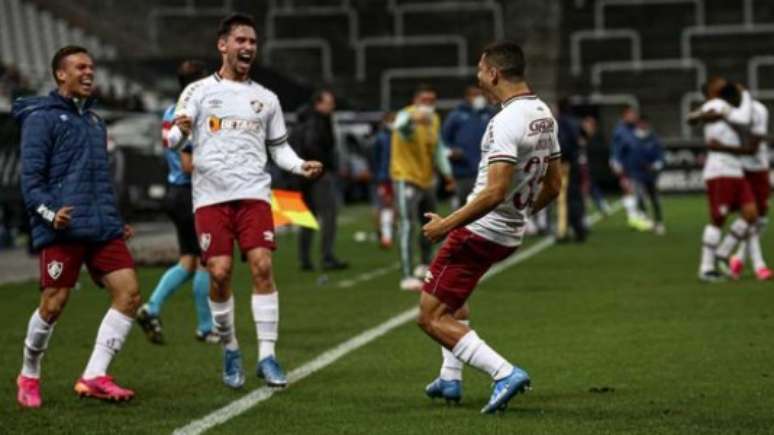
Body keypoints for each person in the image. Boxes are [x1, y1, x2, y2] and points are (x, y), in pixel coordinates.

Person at [172, 13, 322, 389]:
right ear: (223, 45)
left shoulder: (266, 99)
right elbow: (172, 140)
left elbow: (279, 149)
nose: (248, 47)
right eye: (241, 40)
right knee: (219, 274)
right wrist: (180, 132)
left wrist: (301, 165)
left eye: (253, 42)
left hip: (254, 195)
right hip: (210, 198)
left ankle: (268, 356)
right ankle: (230, 347)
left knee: (262, 267)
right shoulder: (198, 91)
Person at [419, 41, 562, 414]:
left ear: (493, 73)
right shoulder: (544, 113)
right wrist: (521, 213)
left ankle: (504, 373)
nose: (477, 74)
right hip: (508, 233)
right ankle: (450, 379)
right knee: (456, 296)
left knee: (431, 316)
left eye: (480, 68)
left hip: (481, 231)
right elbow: (554, 186)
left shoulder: (505, 121)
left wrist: (445, 226)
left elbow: (495, 191)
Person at [14, 46, 141, 408]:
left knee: (129, 294)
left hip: (101, 227)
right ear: (60, 74)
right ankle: (29, 373)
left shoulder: (95, 122)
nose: (89, 73)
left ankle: (94, 375)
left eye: (92, 67)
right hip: (62, 227)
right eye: (80, 67)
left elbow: (99, 181)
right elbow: (31, 181)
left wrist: (115, 219)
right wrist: (50, 213)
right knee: (53, 305)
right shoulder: (41, 119)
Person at [135, 60, 218, 345]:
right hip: (189, 193)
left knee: (189, 261)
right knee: (206, 262)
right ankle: (206, 328)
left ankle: (152, 307)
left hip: (175, 193)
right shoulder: (189, 115)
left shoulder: (171, 111)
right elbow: (187, 164)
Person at [690, 79, 761, 282]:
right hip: (720, 170)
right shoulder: (715, 105)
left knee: (751, 214)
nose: (723, 81)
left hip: (735, 169)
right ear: (711, 91)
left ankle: (723, 252)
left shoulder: (723, 108)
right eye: (717, 81)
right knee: (717, 219)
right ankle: (706, 268)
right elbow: (744, 118)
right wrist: (745, 93)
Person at [391, 84, 455, 291]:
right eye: (424, 100)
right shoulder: (406, 115)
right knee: (407, 225)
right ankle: (406, 275)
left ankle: (424, 264)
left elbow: (437, 149)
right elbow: (399, 126)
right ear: (415, 101)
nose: (428, 105)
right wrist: (413, 119)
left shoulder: (434, 120)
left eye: (431, 101)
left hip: (427, 179)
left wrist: (447, 174)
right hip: (406, 177)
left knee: (429, 224)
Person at [290, 89, 348, 271]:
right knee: (329, 215)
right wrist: (324, 165)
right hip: (318, 175)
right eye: (329, 102)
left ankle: (304, 259)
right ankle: (327, 256)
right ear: (319, 104)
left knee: (308, 218)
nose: (333, 106)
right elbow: (313, 146)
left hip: (302, 176)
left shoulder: (303, 120)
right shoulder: (318, 122)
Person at [729, 95, 772, 280]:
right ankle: (759, 265)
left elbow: (755, 142)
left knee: (761, 218)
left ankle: (737, 257)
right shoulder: (728, 113)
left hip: (760, 168)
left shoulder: (759, 110)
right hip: (741, 168)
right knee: (750, 217)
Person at [442, 85, 495, 208]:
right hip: (462, 171)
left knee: (483, 209)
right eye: (474, 95)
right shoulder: (455, 116)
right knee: (460, 209)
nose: (478, 98)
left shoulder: (490, 114)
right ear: (467, 97)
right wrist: (451, 151)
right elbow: (444, 140)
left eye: (480, 94)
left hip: (486, 171)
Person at [610, 105, 652, 231]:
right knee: (629, 191)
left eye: (634, 114)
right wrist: (616, 164)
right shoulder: (620, 131)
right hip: (625, 167)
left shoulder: (634, 129)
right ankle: (633, 218)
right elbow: (616, 150)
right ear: (624, 115)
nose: (633, 116)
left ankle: (637, 216)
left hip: (636, 168)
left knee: (637, 193)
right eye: (630, 114)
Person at [556, 97, 587, 242]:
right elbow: (583, 137)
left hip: (564, 163)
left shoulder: (560, 122)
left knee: (563, 198)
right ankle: (580, 227)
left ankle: (563, 231)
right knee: (576, 196)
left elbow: (562, 143)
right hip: (575, 162)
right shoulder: (576, 122)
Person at [630, 116, 666, 235]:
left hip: (651, 174)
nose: (643, 125)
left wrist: (655, 165)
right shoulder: (632, 138)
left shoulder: (653, 138)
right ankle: (646, 221)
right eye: (641, 123)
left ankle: (659, 221)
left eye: (645, 123)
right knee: (639, 198)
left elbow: (660, 156)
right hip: (637, 174)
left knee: (654, 198)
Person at [372, 112, 395, 249]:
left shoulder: (395, 137)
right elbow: (375, 158)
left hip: (394, 176)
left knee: (391, 206)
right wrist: (378, 174)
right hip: (385, 176)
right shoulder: (381, 138)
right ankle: (385, 236)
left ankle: (387, 233)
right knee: (385, 205)